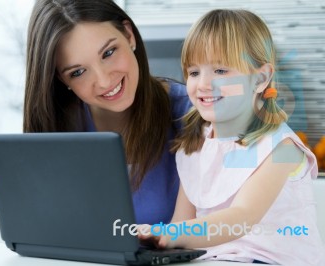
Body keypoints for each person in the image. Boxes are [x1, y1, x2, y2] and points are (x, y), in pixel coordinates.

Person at [138, 9, 325, 265]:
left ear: (260, 78)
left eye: (221, 71)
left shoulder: (283, 148)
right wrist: (155, 240)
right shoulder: (194, 145)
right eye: (194, 72)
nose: (203, 83)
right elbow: (182, 223)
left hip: (272, 260)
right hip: (214, 259)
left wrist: (173, 234)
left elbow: (242, 217)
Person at [22, 0, 192, 225]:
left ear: (129, 35)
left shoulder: (194, 113)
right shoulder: (57, 126)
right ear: (60, 79)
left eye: (108, 52)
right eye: (78, 71)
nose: (103, 81)